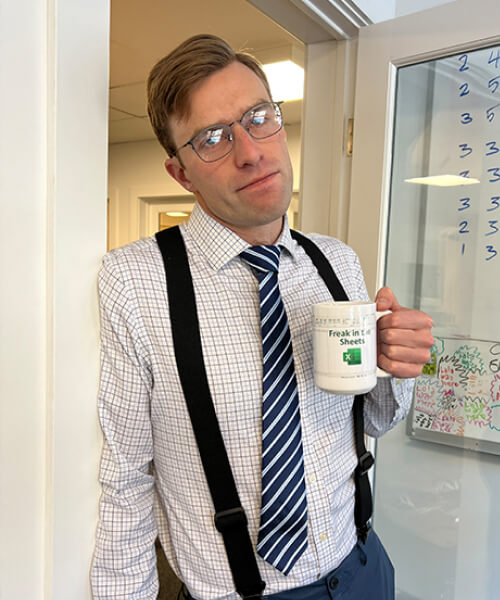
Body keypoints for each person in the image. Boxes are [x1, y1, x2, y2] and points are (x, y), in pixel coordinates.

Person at [91, 34, 434, 600]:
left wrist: (395, 367)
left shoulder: (335, 260)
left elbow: (369, 421)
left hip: (363, 568)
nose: (250, 151)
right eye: (213, 138)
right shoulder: (133, 283)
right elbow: (125, 481)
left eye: (259, 117)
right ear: (180, 174)